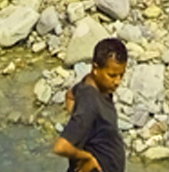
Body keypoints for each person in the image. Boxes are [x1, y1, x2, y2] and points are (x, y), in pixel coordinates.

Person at [53, 36, 128, 172]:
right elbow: (61, 147)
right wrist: (86, 157)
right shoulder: (90, 104)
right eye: (112, 75)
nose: (117, 82)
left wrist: (81, 123)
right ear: (95, 68)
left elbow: (70, 95)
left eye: (121, 75)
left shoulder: (90, 83)